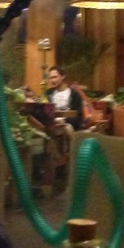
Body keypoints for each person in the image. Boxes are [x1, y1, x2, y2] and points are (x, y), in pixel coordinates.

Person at [29, 65, 83, 195]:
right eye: (50, 78)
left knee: (68, 129)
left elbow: (79, 116)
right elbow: (42, 111)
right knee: (36, 129)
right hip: (50, 124)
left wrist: (65, 120)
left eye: (55, 77)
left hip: (66, 123)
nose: (52, 80)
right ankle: (51, 163)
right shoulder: (48, 93)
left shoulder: (74, 94)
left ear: (63, 76)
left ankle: (73, 162)